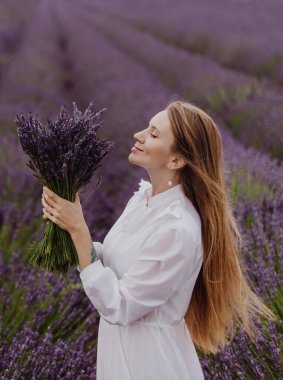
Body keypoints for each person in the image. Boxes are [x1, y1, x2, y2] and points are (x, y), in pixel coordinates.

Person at [41, 100, 276, 380]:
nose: (138, 135)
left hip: (150, 364)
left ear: (176, 161)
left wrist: (79, 229)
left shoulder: (177, 228)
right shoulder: (144, 199)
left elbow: (120, 305)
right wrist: (68, 225)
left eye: (153, 134)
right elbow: (117, 267)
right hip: (121, 353)